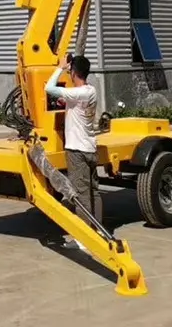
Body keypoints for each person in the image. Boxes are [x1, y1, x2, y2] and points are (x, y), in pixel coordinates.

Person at [44, 51, 102, 246]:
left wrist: (60, 68)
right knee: (94, 191)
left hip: (77, 150)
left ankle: (84, 240)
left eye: (70, 71)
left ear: (74, 73)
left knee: (81, 195)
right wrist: (66, 101)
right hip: (91, 148)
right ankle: (98, 232)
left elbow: (49, 88)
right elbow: (74, 102)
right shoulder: (90, 91)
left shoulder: (76, 93)